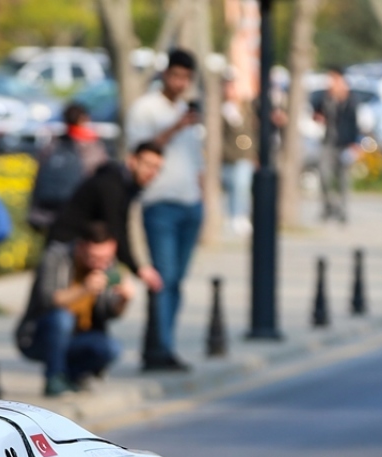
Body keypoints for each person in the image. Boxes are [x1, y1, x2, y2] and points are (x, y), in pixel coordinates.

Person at [124, 48, 203, 372]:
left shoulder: (189, 112)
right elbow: (141, 151)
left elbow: (199, 161)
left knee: (177, 281)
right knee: (163, 279)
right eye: (176, 75)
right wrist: (176, 126)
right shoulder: (146, 108)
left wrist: (203, 199)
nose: (181, 82)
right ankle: (161, 350)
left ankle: (158, 344)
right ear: (165, 74)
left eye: (186, 78)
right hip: (160, 204)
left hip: (190, 203)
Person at [16, 222, 134, 397]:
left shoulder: (110, 266)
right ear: (80, 247)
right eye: (94, 257)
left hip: (80, 338)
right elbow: (49, 299)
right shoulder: (56, 257)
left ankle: (72, 377)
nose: (100, 264)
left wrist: (124, 299)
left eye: (105, 258)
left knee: (112, 348)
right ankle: (55, 378)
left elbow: (109, 313)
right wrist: (85, 289)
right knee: (62, 318)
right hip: (39, 336)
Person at [47, 141, 165, 294]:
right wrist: (138, 268)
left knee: (102, 298)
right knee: (56, 303)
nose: (152, 173)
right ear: (132, 160)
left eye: (157, 168)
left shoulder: (123, 183)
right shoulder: (111, 185)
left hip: (83, 249)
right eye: (149, 165)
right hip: (66, 249)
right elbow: (117, 229)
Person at [27, 103, 109, 232]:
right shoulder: (93, 147)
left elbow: (38, 178)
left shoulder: (53, 145)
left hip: (49, 212)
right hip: (80, 212)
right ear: (86, 119)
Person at [313, 68, 360, 225]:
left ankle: (342, 209)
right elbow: (317, 112)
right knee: (324, 175)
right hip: (328, 142)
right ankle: (328, 206)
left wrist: (354, 144)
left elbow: (354, 122)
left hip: (344, 143)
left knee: (343, 178)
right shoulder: (326, 97)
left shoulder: (349, 99)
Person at [220, 77, 256, 237]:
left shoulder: (245, 108)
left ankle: (240, 215)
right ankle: (233, 214)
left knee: (242, 185)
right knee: (232, 186)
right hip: (229, 154)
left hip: (244, 154)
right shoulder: (221, 109)